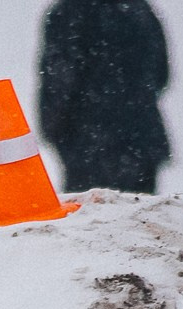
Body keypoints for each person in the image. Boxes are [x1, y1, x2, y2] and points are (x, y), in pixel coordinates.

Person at [38, 0, 171, 195]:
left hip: (89, 142)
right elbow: (161, 73)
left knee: (92, 210)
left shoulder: (68, 11)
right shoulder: (138, 8)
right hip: (141, 136)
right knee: (140, 209)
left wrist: (53, 128)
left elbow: (59, 82)